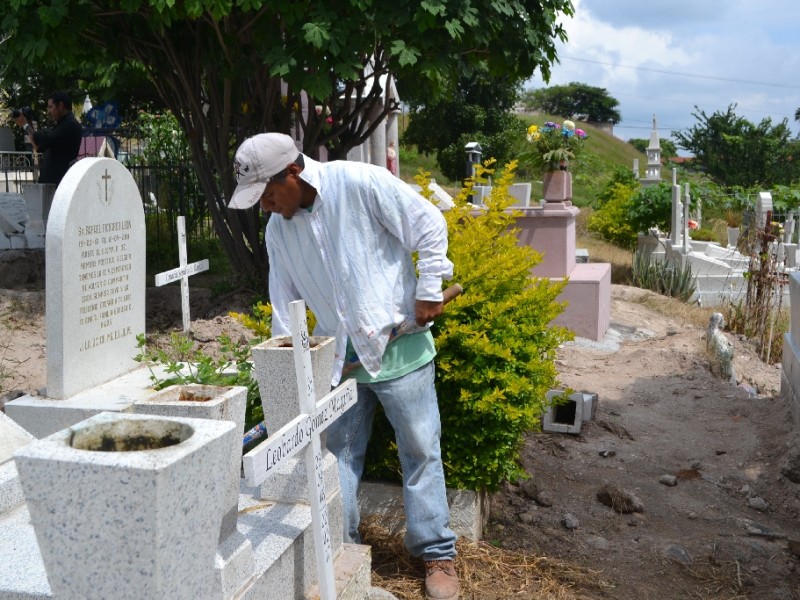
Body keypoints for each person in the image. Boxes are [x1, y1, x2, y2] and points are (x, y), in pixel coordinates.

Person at [229, 133, 460, 600]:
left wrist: (430, 287)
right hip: (342, 364)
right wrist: (291, 364)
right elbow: (284, 304)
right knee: (338, 459)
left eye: (268, 195)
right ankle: (341, 550)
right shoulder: (278, 231)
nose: (267, 208)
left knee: (420, 449)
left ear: (292, 172)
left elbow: (430, 224)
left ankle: (437, 552)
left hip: (401, 351)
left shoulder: (359, 183)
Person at [14, 91, 83, 185]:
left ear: (61, 105)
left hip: (59, 184)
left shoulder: (70, 125)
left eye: (51, 107)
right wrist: (28, 124)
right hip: (51, 183)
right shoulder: (62, 125)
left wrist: (25, 125)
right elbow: (40, 147)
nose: (49, 111)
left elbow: (46, 140)